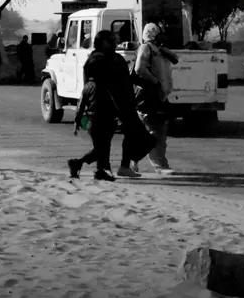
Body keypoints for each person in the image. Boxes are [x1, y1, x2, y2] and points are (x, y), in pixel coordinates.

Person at [68, 30, 156, 181]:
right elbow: (91, 88)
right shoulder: (96, 61)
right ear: (101, 42)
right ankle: (103, 169)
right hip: (105, 109)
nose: (115, 44)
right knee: (103, 144)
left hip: (124, 106)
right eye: (111, 41)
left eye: (115, 41)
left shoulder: (116, 59)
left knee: (134, 139)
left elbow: (126, 81)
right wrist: (79, 115)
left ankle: (90, 165)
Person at [130, 23, 179, 175]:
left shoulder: (160, 50)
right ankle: (160, 165)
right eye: (158, 33)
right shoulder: (146, 48)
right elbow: (139, 69)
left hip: (160, 97)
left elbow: (175, 59)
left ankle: (133, 160)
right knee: (154, 132)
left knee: (158, 131)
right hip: (149, 97)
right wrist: (155, 81)